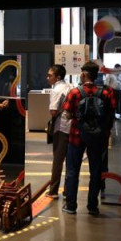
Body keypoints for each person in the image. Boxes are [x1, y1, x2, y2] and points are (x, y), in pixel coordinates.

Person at [62, 61, 116, 216]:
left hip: (77, 136)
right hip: (98, 138)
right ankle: (92, 206)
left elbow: (67, 114)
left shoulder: (75, 92)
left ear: (84, 75)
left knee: (73, 170)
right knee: (96, 171)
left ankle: (71, 205)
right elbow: (111, 114)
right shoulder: (107, 92)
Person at [46, 64, 73, 199]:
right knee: (70, 160)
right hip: (72, 126)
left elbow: (53, 111)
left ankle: (53, 190)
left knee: (58, 159)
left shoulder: (56, 90)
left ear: (58, 77)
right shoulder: (70, 86)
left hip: (61, 127)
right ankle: (68, 191)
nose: (47, 78)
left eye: (50, 75)